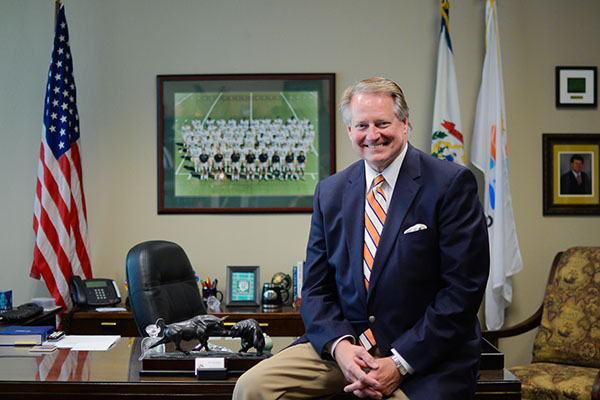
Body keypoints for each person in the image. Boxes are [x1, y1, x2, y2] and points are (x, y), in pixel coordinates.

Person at [233, 77, 490, 400]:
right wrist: (339, 347)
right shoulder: (331, 192)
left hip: (423, 352)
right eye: (361, 125)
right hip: (347, 345)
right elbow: (315, 289)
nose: (373, 135)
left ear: (405, 123)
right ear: (349, 131)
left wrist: (399, 363)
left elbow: (462, 291)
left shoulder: (450, 184)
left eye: (383, 123)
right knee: (252, 388)